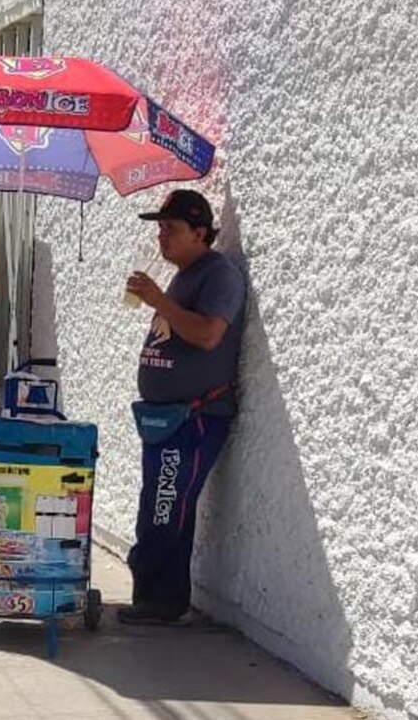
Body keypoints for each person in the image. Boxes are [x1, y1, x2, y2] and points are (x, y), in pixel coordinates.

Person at [118, 189, 246, 626]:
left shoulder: (219, 274)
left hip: (194, 418)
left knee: (164, 505)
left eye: (170, 229)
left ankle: (156, 599)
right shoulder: (185, 275)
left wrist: (159, 301)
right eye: (160, 229)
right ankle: (162, 599)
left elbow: (210, 334)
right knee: (165, 504)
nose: (162, 237)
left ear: (200, 232)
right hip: (166, 419)